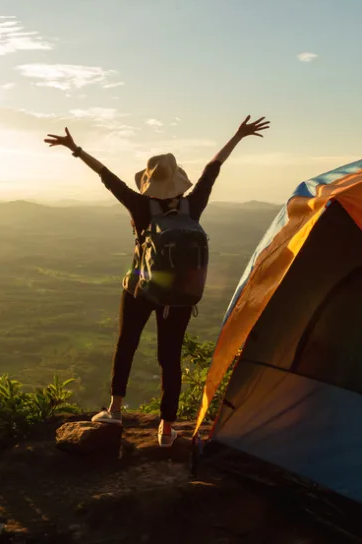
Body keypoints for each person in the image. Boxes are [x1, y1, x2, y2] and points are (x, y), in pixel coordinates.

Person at [43, 115, 270, 447]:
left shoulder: (140, 205)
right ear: (178, 180)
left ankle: (115, 410)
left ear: (149, 180)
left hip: (139, 289)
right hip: (178, 296)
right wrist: (238, 135)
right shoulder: (193, 204)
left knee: (126, 345)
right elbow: (213, 168)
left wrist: (75, 148)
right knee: (170, 358)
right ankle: (166, 430)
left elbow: (107, 176)